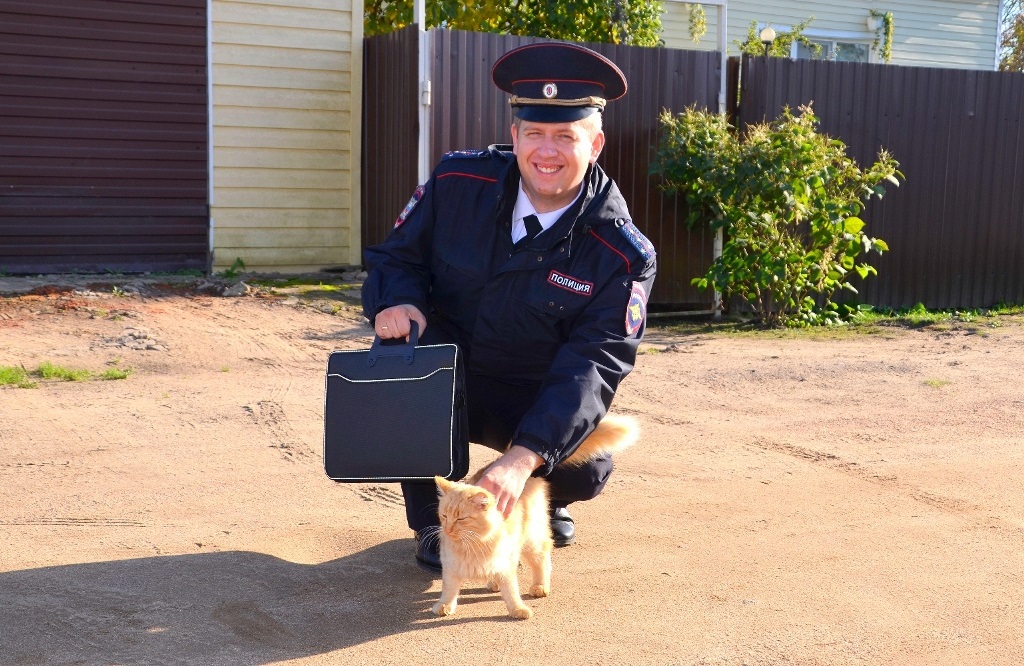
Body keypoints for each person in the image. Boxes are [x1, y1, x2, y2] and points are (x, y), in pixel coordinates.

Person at [361, 42, 657, 574]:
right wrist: (397, 301)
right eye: (535, 134)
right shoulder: (456, 184)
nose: (548, 152)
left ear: (595, 144)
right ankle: (432, 520)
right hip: (451, 380)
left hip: (533, 395)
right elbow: (395, 257)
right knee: (403, 358)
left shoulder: (621, 253)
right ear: (515, 136)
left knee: (585, 470)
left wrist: (524, 459)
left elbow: (595, 362)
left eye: (566, 136)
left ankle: (545, 500)